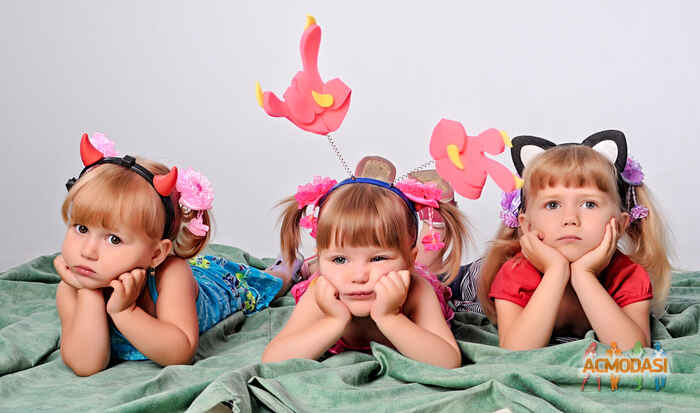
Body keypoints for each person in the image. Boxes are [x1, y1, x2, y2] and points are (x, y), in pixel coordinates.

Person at [55, 133, 283, 376]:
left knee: (265, 283)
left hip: (219, 284)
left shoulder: (171, 274)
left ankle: (288, 266)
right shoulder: (71, 289)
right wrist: (89, 292)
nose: (87, 251)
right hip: (168, 278)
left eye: (114, 239)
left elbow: (179, 353)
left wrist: (124, 311)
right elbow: (86, 365)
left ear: (156, 254)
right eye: (81, 229)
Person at [262, 157, 469, 368]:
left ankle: (434, 229)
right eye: (339, 259)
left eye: (378, 258)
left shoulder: (417, 291)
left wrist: (390, 317)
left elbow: (448, 360)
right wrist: (333, 321)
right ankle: (311, 264)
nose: (359, 276)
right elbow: (273, 359)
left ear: (409, 260)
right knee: (345, 259)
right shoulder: (321, 293)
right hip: (351, 267)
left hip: (411, 268)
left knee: (430, 266)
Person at [477, 130, 671, 351]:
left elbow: (633, 350)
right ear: (527, 225)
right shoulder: (515, 274)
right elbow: (517, 350)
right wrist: (555, 271)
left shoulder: (627, 275)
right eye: (552, 205)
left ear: (620, 224)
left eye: (589, 204)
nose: (570, 219)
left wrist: (584, 275)